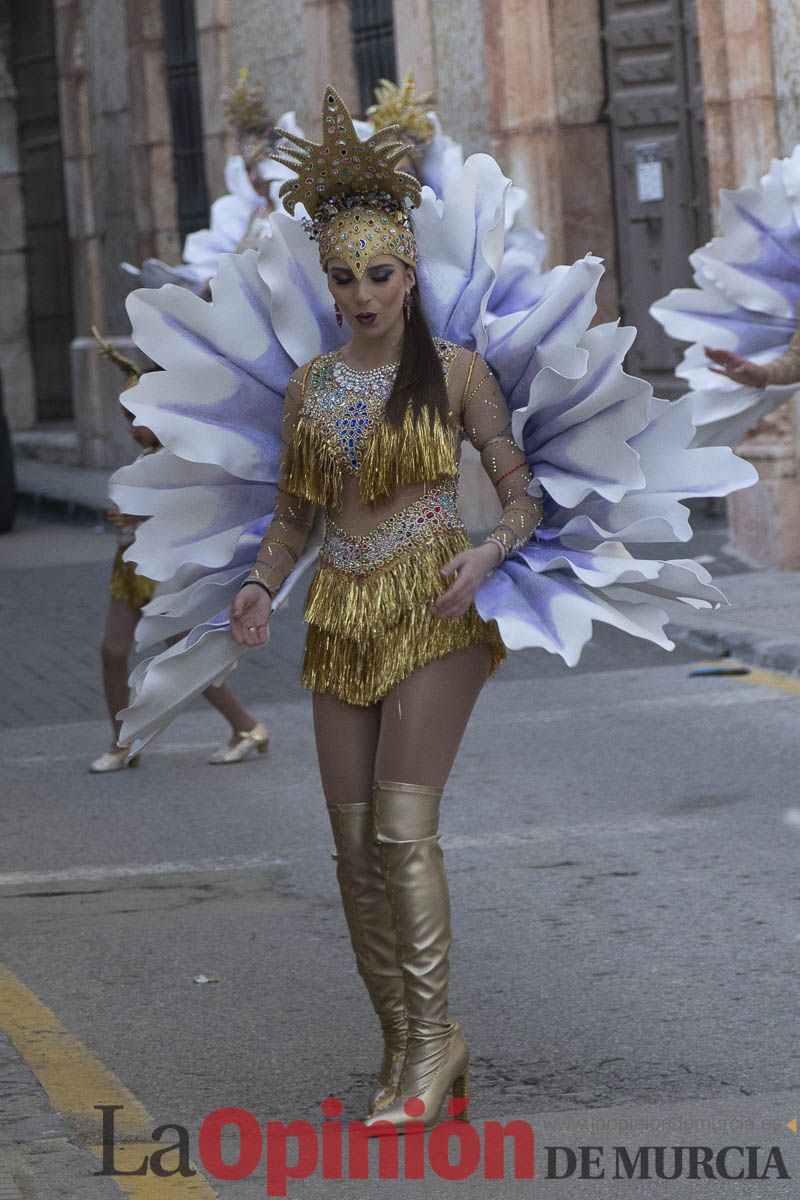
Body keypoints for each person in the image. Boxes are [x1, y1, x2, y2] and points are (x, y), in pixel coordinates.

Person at [228, 87, 542, 1132]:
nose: (360, 294)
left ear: (409, 274)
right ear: (326, 283)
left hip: (435, 605)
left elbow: (519, 494)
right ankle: (409, 1043)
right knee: (351, 845)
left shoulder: (456, 375)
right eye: (342, 278)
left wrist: (488, 553)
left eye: (378, 274)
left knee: (405, 836)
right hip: (338, 616)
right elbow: (293, 519)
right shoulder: (310, 387)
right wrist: (260, 585)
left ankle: (428, 1044)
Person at [90, 340, 269, 772]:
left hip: (172, 570)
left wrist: (142, 511)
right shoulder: (148, 454)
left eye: (142, 418)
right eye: (128, 418)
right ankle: (121, 742)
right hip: (130, 566)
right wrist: (125, 515)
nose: (134, 427)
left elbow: (200, 507)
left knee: (184, 658)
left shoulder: (186, 455)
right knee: (112, 651)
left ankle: (246, 726)